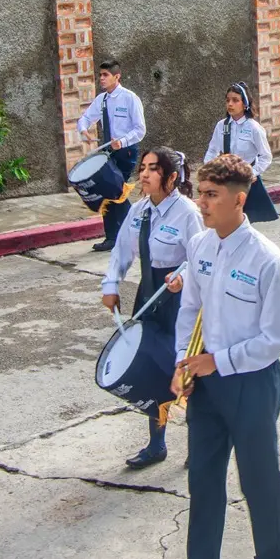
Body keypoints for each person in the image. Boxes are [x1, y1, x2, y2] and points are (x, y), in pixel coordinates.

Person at [171, 154, 280, 559]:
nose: (201, 204)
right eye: (199, 193)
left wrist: (218, 361)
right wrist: (181, 362)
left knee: (259, 479)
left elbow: (277, 338)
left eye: (211, 195)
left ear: (239, 200)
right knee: (203, 481)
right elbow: (190, 310)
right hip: (206, 383)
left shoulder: (269, 261)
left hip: (252, 383)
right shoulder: (201, 246)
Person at [102, 147, 201, 469]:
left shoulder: (187, 212)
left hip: (180, 302)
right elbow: (121, 252)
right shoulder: (140, 210)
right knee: (150, 369)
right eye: (142, 167)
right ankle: (156, 445)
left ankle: (199, 443)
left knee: (185, 371)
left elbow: (201, 256)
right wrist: (111, 285)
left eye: (153, 169)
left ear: (171, 177)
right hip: (148, 296)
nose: (143, 174)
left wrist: (183, 276)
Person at [77, 59, 147, 252]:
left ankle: (135, 231)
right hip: (107, 151)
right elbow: (85, 118)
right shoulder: (102, 100)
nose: (101, 78)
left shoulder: (130, 98)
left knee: (116, 190)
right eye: (100, 75)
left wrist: (122, 142)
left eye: (105, 75)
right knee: (107, 192)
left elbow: (140, 130)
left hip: (126, 151)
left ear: (117, 76)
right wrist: (84, 130)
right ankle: (113, 237)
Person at [204, 82, 278, 223]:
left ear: (245, 104)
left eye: (235, 100)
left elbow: (266, 156)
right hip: (225, 180)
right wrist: (209, 171)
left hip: (246, 182)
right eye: (228, 100)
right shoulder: (221, 126)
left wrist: (253, 172)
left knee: (244, 222)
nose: (230, 104)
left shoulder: (254, 128)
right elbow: (212, 150)